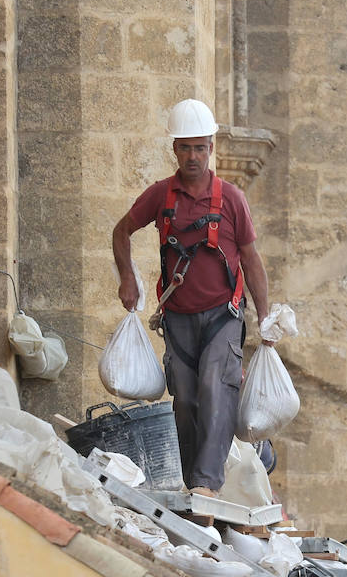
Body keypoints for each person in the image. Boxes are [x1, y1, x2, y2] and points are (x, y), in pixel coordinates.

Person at [111, 98, 272, 495]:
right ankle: (192, 483)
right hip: (178, 319)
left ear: (211, 149)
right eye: (185, 147)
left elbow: (251, 261)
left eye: (200, 147)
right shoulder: (161, 196)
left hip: (223, 316)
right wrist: (127, 279)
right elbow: (121, 232)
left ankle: (206, 485)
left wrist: (266, 319)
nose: (193, 156)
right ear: (175, 150)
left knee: (216, 388)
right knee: (185, 402)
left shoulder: (231, 199)